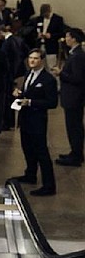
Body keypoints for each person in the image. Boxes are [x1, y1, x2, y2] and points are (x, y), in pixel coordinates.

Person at [12, 49, 58, 196]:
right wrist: (19, 94)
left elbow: (52, 102)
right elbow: (27, 92)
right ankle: (30, 174)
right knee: (27, 148)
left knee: (41, 152)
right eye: (30, 58)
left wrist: (31, 102)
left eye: (36, 58)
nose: (32, 61)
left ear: (42, 60)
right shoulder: (28, 74)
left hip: (37, 121)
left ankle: (49, 185)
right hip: (25, 119)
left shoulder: (48, 79)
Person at [52, 27, 85, 167]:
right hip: (72, 96)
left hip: (74, 97)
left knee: (74, 127)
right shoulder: (74, 54)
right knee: (73, 126)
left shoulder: (78, 56)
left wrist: (61, 73)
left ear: (74, 38)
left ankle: (76, 155)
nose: (65, 39)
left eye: (67, 37)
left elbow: (78, 78)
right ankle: (75, 152)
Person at [31, 3, 65, 70]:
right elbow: (34, 31)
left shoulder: (58, 19)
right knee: (41, 66)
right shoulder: (39, 19)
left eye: (45, 14)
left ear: (49, 11)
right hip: (40, 45)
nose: (44, 16)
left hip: (51, 46)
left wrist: (51, 36)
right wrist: (38, 35)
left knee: (51, 66)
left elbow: (62, 33)